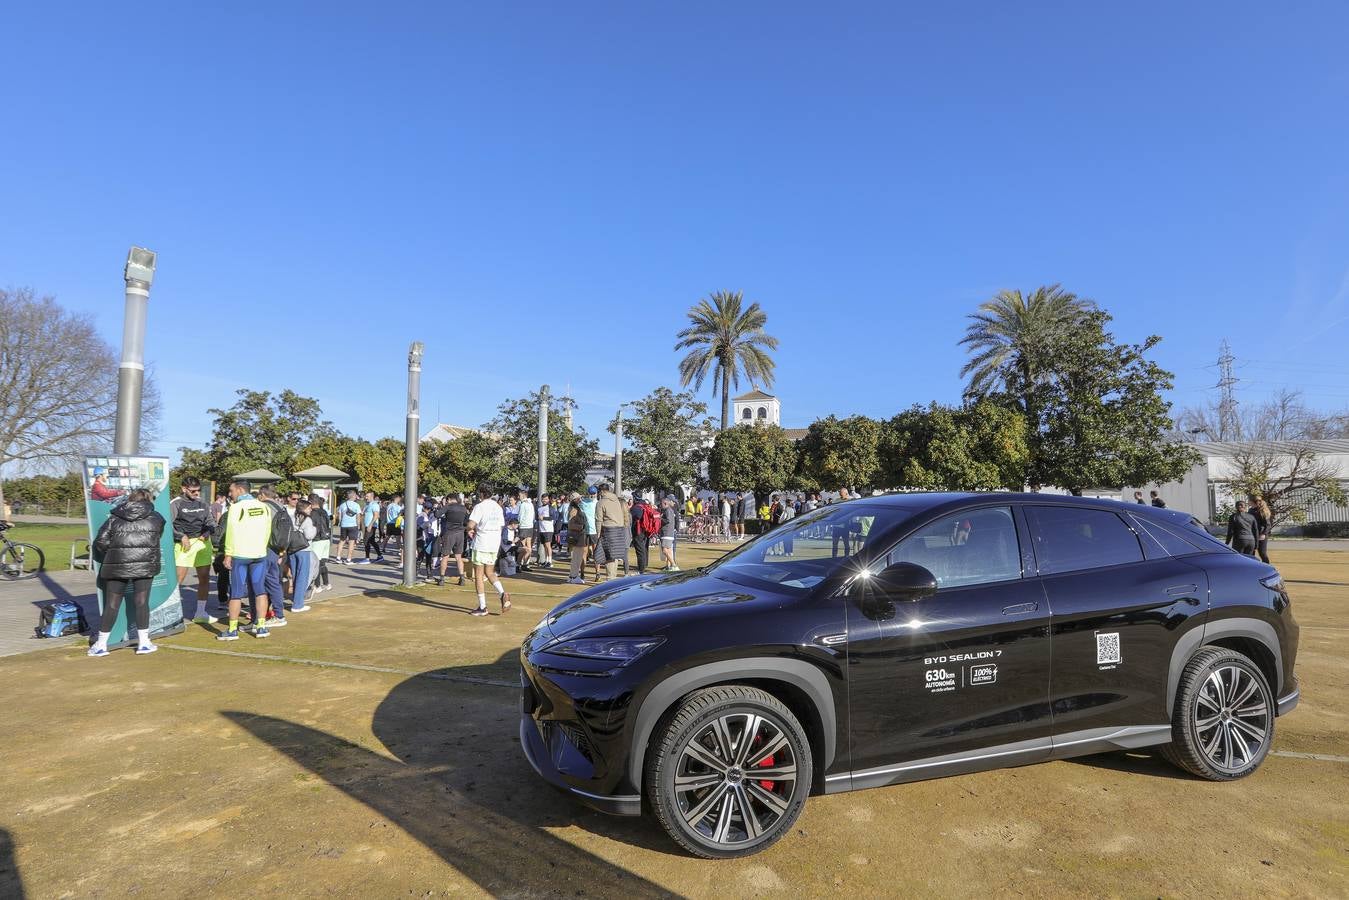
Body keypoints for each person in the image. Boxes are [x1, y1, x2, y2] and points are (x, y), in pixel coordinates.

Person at [88, 489, 166, 656]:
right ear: (148, 500)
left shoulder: (114, 517)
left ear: (130, 499)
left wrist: (113, 554)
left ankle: (101, 644)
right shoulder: (157, 518)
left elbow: (100, 542)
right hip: (145, 566)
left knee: (112, 604)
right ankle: (144, 643)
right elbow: (157, 536)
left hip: (116, 565)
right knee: (142, 602)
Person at [219, 480, 273, 640]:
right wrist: (261, 547)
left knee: (235, 592)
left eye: (231, 490)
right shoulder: (264, 506)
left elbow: (231, 532)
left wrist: (228, 553)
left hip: (241, 555)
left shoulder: (235, 507)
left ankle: (232, 630)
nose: (230, 494)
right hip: (259, 554)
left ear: (241, 490)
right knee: (260, 589)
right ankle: (261, 627)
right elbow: (267, 530)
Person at [170, 476, 215, 624]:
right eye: (193, 491)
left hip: (202, 543)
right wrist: (181, 536)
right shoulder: (176, 503)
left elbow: (211, 522)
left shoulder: (203, 502)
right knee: (178, 579)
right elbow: (167, 525)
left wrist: (207, 533)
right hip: (184, 544)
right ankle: (172, 614)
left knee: (204, 578)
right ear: (184, 489)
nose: (197, 493)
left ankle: (201, 612)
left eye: (198, 490)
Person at [466, 484, 511, 617]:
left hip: (482, 542)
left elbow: (471, 524)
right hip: (494, 543)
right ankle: (502, 593)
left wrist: (469, 530)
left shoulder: (479, 507)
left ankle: (482, 606)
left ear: (481, 494)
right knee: (490, 572)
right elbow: (502, 525)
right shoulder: (497, 507)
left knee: (479, 575)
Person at [257, 486, 292, 627]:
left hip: (266, 547)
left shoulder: (264, 507)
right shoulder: (281, 507)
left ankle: (271, 614)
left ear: (262, 495)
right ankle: (276, 613)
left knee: (266, 582)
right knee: (274, 581)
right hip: (277, 547)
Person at [594, 483, 630, 581]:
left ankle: (610, 578)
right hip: (619, 530)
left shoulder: (601, 502)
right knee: (615, 555)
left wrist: (598, 533)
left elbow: (598, 520)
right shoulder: (617, 501)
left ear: (601, 491)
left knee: (608, 555)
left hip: (608, 530)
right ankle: (613, 576)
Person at [290, 498, 318, 612]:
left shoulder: (292, 518)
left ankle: (296, 599)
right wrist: (315, 529)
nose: (310, 510)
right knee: (303, 576)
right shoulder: (307, 520)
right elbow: (309, 535)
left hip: (292, 549)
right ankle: (298, 604)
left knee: (295, 575)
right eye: (309, 508)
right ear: (304, 508)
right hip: (304, 549)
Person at [436, 493, 470, 586]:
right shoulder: (463, 508)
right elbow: (467, 521)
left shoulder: (448, 506)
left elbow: (437, 515)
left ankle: (442, 579)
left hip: (449, 533)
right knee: (458, 557)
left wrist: (439, 507)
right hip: (460, 533)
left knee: (445, 556)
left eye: (447, 500)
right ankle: (462, 578)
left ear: (450, 499)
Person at [307, 494, 333, 596]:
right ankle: (326, 583)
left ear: (310, 502)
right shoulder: (324, 511)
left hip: (317, 540)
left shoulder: (312, 513)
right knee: (322, 563)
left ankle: (317, 586)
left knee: (315, 564)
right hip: (326, 539)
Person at [630, 492, 656, 574]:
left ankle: (641, 569)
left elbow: (632, 517)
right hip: (647, 530)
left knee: (640, 550)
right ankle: (644, 565)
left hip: (638, 531)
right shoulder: (646, 505)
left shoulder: (636, 508)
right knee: (645, 548)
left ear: (634, 498)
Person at [565, 493, 587, 584]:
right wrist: (581, 527)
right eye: (578, 498)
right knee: (577, 557)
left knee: (576, 556)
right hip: (577, 535)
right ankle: (574, 576)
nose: (580, 500)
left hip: (577, 535)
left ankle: (572, 576)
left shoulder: (575, 508)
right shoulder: (574, 509)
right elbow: (570, 524)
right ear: (575, 500)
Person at [336, 489, 361, 564]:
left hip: (344, 525)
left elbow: (339, 516)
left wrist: (340, 523)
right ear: (353, 496)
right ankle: (348, 559)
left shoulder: (342, 505)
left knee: (341, 541)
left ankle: (338, 557)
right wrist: (358, 525)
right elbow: (358, 516)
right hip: (353, 525)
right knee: (351, 542)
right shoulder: (356, 505)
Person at [360, 491, 383, 563]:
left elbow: (376, 515)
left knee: (366, 541)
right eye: (366, 496)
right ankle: (380, 556)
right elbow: (363, 513)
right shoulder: (368, 504)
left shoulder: (374, 504)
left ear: (372, 496)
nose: (366, 498)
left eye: (367, 496)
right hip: (367, 525)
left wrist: (370, 525)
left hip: (372, 526)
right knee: (372, 541)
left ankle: (367, 558)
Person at [516, 489, 536, 572]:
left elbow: (520, 516)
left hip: (524, 526)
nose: (519, 497)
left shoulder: (523, 504)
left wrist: (518, 524)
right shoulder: (531, 504)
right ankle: (525, 564)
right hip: (530, 526)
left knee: (523, 547)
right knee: (529, 547)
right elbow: (533, 516)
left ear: (523, 495)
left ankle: (518, 564)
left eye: (519, 495)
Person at [659, 496, 680, 571]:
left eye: (661, 504)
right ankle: (668, 566)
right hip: (669, 533)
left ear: (665, 503)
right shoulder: (670, 510)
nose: (660, 505)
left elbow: (667, 520)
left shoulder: (667, 510)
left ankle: (674, 565)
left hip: (666, 533)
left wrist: (659, 518)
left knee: (664, 550)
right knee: (669, 550)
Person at [1250, 495, 1273, 564]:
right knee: (1251, 553)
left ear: (1253, 502)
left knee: (1262, 553)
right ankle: (1252, 567)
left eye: (1249, 501)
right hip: (1252, 534)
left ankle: (1267, 567)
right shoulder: (1250, 510)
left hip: (1261, 535)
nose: (1248, 502)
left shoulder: (1262, 511)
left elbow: (1268, 525)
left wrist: (1263, 534)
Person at [536, 493, 555, 567]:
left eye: (546, 499)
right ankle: (546, 560)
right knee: (544, 546)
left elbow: (553, 517)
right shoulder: (539, 508)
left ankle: (550, 561)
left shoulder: (550, 507)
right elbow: (537, 518)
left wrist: (543, 518)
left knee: (548, 545)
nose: (544, 500)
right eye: (543, 499)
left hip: (548, 529)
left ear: (548, 499)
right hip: (541, 529)